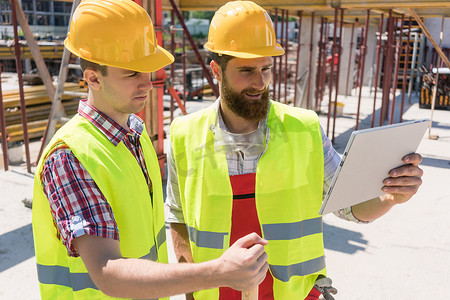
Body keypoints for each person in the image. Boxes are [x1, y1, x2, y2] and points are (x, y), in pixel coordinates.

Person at [166, 1, 424, 300]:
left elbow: (348, 207)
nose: (260, 82)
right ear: (216, 70)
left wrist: (389, 198)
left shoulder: (305, 128)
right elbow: (178, 217)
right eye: (247, 70)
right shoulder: (183, 134)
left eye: (266, 69)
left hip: (295, 294)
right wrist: (189, 288)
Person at [32, 0, 269, 298]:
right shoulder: (68, 156)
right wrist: (220, 271)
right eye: (131, 74)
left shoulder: (136, 133)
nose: (147, 83)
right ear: (93, 77)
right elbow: (107, 269)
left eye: (147, 70)